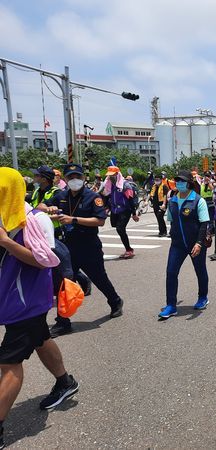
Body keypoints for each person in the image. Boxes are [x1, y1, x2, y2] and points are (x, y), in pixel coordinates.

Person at [0, 168, 79, 450]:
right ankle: (65, 381)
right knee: (41, 340)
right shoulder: (4, 218)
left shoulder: (35, 220)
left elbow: (45, 260)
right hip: (10, 300)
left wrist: (6, 242)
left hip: (27, 302)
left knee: (9, 363)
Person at [38, 164, 124, 337]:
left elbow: (100, 221)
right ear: (66, 179)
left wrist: (74, 219)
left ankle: (115, 301)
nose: (74, 180)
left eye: (77, 176)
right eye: (70, 177)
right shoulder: (61, 195)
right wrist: (48, 209)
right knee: (64, 283)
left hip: (89, 246)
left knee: (100, 278)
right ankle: (63, 322)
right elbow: (39, 206)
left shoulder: (93, 197)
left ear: (83, 178)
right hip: (68, 248)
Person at [158, 170, 210, 319]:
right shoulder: (173, 200)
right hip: (178, 245)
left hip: (196, 244)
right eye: (177, 181)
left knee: (200, 270)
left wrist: (199, 243)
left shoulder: (198, 200)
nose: (179, 183)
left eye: (182, 181)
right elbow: (172, 220)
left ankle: (203, 297)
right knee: (171, 272)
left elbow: (204, 223)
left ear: (189, 183)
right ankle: (171, 305)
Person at [101, 166, 139, 259]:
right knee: (115, 225)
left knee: (120, 228)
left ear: (117, 175)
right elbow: (108, 198)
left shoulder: (125, 185)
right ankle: (128, 248)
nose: (111, 177)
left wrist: (134, 214)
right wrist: (107, 208)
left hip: (125, 210)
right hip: (115, 210)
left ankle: (129, 250)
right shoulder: (110, 185)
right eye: (109, 176)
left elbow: (130, 200)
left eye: (113, 175)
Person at [149, 173, 169, 237]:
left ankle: (163, 231)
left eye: (158, 179)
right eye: (155, 180)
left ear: (161, 180)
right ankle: (161, 231)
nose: (156, 181)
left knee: (160, 216)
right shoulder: (154, 186)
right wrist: (146, 201)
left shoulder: (164, 186)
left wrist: (164, 204)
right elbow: (150, 194)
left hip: (162, 204)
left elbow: (165, 195)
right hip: (155, 204)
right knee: (158, 218)